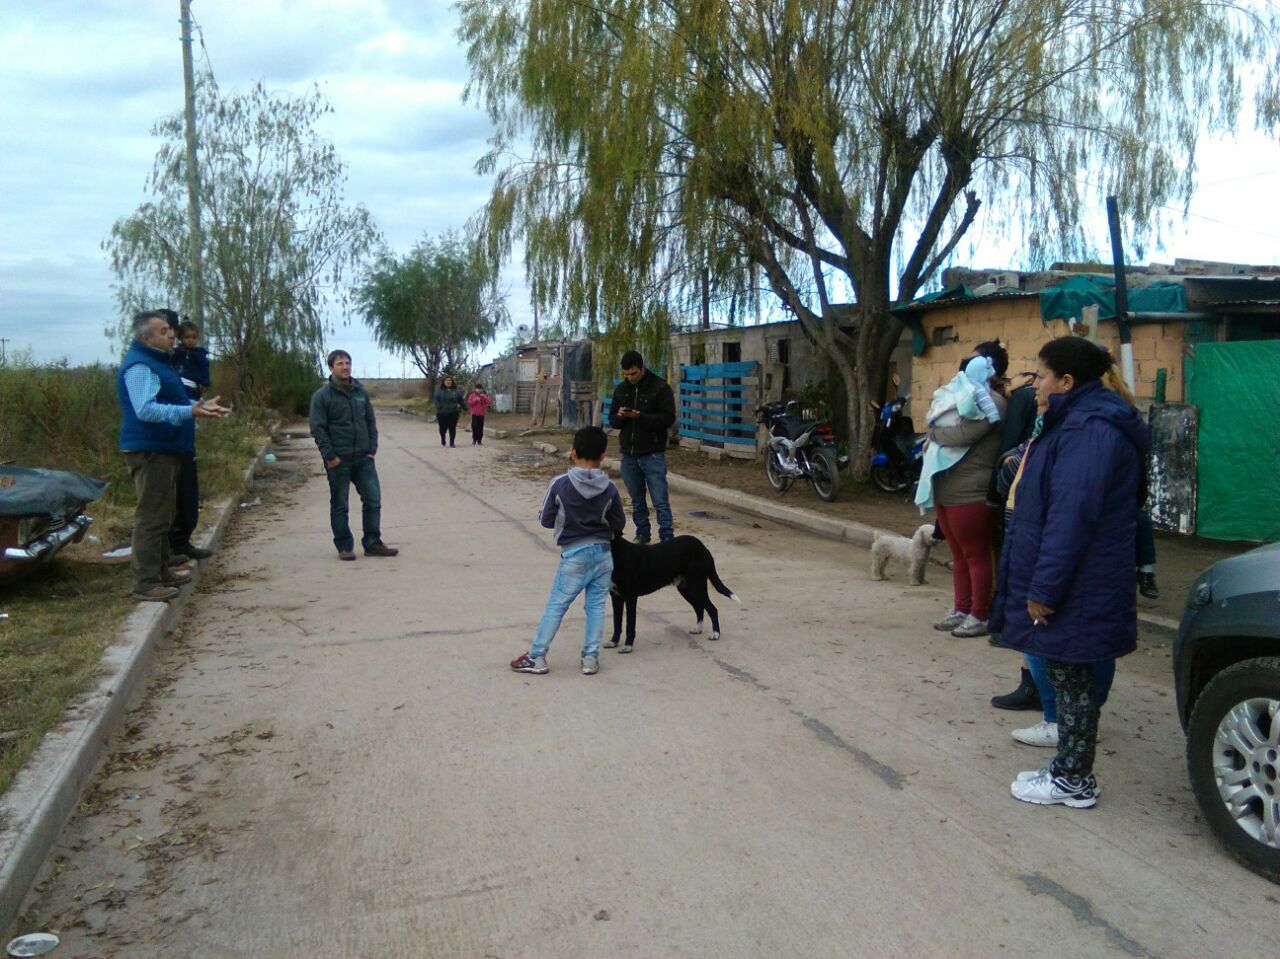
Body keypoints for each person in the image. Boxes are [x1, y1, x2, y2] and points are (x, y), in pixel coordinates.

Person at [992, 337, 1149, 808]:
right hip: (1081, 577)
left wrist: (1044, 588)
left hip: (1080, 581)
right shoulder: (1078, 422)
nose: (1033, 385)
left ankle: (1073, 780)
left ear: (1066, 381)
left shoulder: (1088, 430)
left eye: (1040, 376)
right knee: (1070, 677)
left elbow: (1071, 517)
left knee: (1075, 682)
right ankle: (1067, 770)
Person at [117, 311, 230, 601]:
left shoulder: (158, 362)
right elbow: (146, 409)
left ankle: (161, 570)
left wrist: (199, 406)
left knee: (165, 514)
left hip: (166, 446)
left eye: (170, 330)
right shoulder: (141, 366)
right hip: (151, 449)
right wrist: (189, 411)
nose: (172, 334)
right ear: (146, 338)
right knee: (151, 516)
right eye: (164, 330)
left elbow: (172, 401)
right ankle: (145, 582)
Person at [510, 426, 626, 676]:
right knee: (595, 607)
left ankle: (536, 656)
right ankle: (590, 659)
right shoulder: (610, 488)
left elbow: (546, 520)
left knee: (557, 605)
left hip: (574, 554)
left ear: (573, 453)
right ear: (603, 456)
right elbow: (619, 524)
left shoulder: (560, 484)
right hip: (604, 554)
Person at [925, 343, 1009, 638]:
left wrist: (933, 433)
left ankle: (980, 614)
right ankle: (961, 608)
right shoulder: (963, 397)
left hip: (970, 489)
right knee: (958, 554)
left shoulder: (993, 402)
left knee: (975, 554)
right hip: (948, 486)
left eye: (974, 361)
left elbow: (964, 434)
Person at [309, 350, 398, 561]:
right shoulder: (322, 396)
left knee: (373, 500)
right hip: (339, 460)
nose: (345, 367)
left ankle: (372, 543)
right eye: (340, 363)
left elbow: (370, 422)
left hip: (363, 458)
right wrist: (330, 456)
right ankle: (344, 546)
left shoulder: (360, 392)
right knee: (340, 504)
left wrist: (371, 449)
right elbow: (317, 428)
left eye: (348, 363)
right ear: (331, 368)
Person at [608, 350, 677, 543]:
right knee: (636, 500)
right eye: (626, 375)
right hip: (629, 454)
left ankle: (667, 538)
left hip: (652, 453)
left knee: (660, 500)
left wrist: (641, 417)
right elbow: (612, 420)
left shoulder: (660, 388)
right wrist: (621, 416)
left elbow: (668, 418)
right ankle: (642, 534)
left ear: (642, 367)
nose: (630, 378)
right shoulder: (621, 390)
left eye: (634, 373)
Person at [169, 318, 213, 560]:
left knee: (187, 487)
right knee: (171, 494)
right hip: (165, 439)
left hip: (184, 431)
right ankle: (171, 544)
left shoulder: (195, 357)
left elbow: (203, 378)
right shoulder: (158, 364)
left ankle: (181, 540)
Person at [434, 374, 465, 448]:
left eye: (450, 380)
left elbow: (461, 400)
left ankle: (452, 442)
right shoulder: (439, 390)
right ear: (444, 382)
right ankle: (443, 440)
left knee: (452, 428)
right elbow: (436, 400)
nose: (448, 382)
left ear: (452, 382)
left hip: (453, 412)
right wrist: (439, 407)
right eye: (447, 380)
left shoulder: (456, 390)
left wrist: (465, 408)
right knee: (442, 429)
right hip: (442, 413)